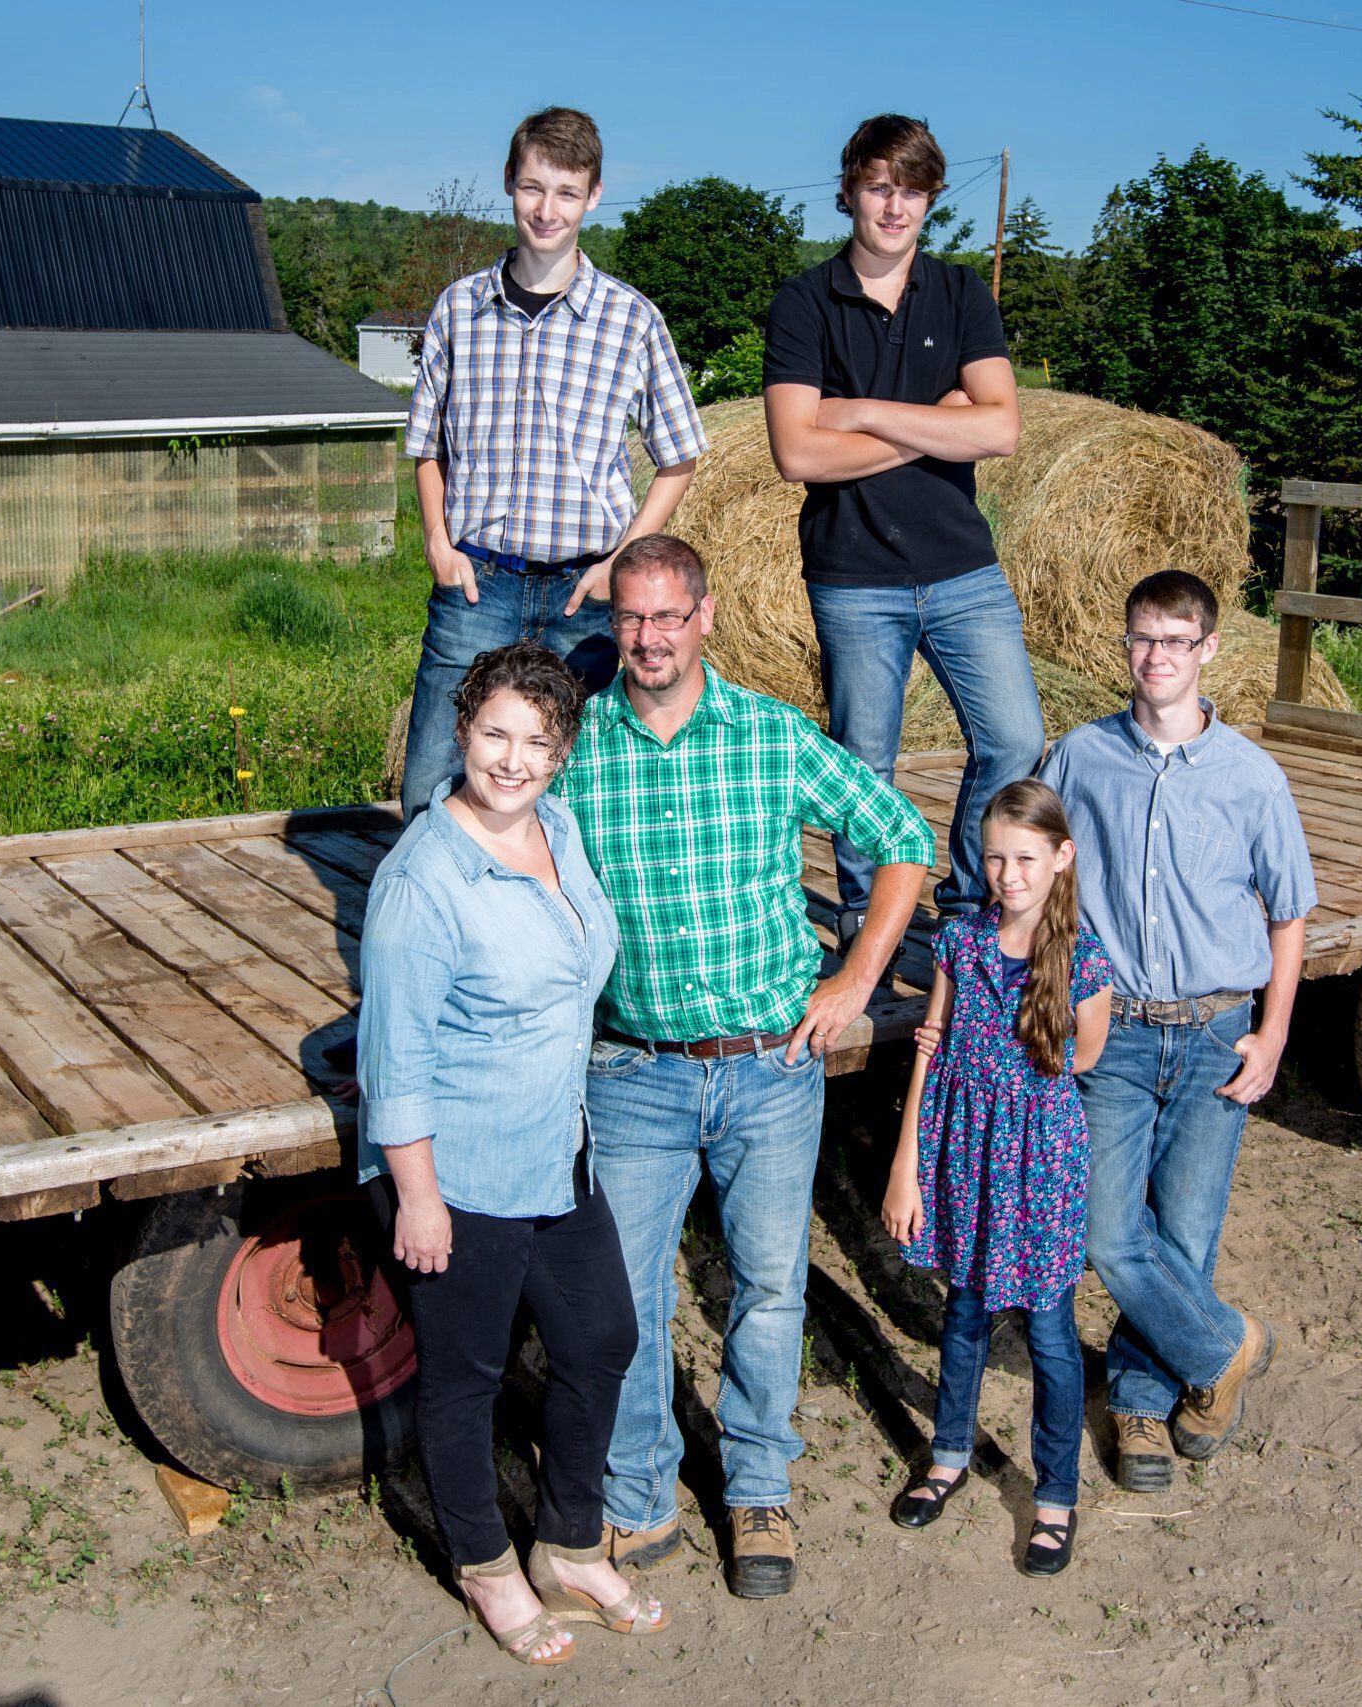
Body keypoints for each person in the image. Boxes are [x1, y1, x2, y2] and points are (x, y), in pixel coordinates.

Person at [550, 533, 936, 1599]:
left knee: (767, 1290)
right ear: (613, 623)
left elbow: (901, 835)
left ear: (706, 617)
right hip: (631, 1072)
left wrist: (857, 976)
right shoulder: (577, 749)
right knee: (624, 1302)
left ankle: (758, 1488)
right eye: (631, 618)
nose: (650, 638)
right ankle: (638, 1494)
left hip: (770, 1069)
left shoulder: (769, 736)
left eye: (670, 616)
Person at [356, 643, 664, 1665]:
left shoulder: (558, 829)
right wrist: (419, 1197)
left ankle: (569, 1546)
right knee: (465, 1381)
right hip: (461, 1174)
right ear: (459, 731)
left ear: (561, 753)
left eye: (536, 740)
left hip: (556, 1157)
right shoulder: (423, 880)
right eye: (494, 733)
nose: (512, 757)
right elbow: (393, 1058)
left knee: (600, 1344)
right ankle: (486, 1566)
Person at [1038, 570, 1316, 1493]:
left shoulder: (1251, 775)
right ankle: (1226, 1346)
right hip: (1112, 1034)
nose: (1155, 657)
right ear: (1124, 647)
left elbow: (1289, 912)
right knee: (1106, 1232)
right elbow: (1044, 880)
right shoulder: (1079, 757)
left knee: (1187, 1232)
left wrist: (1273, 1034)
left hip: (1213, 1031)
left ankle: (1145, 1406)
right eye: (1141, 639)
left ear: (1208, 650)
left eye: (1175, 640)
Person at [762, 112, 1043, 950]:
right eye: (880, 185)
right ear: (849, 189)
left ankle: (961, 903)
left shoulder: (961, 294)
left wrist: (864, 414)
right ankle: (862, 918)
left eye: (912, 189)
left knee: (1016, 738)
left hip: (962, 566)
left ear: (930, 199)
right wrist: (935, 419)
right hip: (853, 575)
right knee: (863, 767)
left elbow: (1000, 430)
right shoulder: (806, 301)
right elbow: (795, 451)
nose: (895, 205)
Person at [399, 105, 707, 819]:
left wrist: (620, 563)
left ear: (593, 195)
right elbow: (426, 447)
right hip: (480, 584)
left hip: (586, 594)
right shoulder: (458, 309)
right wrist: (438, 544)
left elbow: (681, 456)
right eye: (534, 187)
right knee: (433, 778)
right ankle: (431, 928)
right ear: (510, 181)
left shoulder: (631, 319)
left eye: (567, 192)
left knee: (582, 785)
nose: (548, 209)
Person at [882, 779, 1114, 1577]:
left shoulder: (1082, 959)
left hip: (1039, 1164)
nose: (1008, 874)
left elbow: (1079, 1058)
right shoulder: (961, 939)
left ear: (1061, 857)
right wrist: (907, 1160)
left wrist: (1014, 1100)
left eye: (1025, 857)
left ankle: (1054, 1495)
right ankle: (947, 1453)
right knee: (966, 1313)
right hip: (963, 1153)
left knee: (1050, 1335)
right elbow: (931, 1044)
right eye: (994, 857)